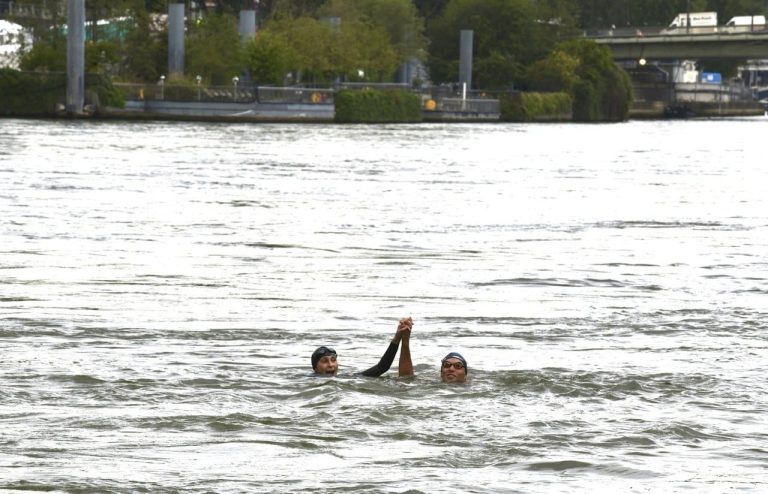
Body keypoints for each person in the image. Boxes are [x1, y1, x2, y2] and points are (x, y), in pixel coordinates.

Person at [311, 317, 412, 377]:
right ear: (315, 368)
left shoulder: (348, 378)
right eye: (324, 361)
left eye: (333, 360)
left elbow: (382, 367)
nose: (330, 364)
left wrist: (397, 338)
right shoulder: (307, 381)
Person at [396, 319, 467, 383]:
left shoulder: (472, 387)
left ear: (465, 374)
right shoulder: (431, 384)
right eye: (447, 365)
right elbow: (406, 379)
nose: (451, 369)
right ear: (441, 373)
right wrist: (405, 339)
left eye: (458, 366)